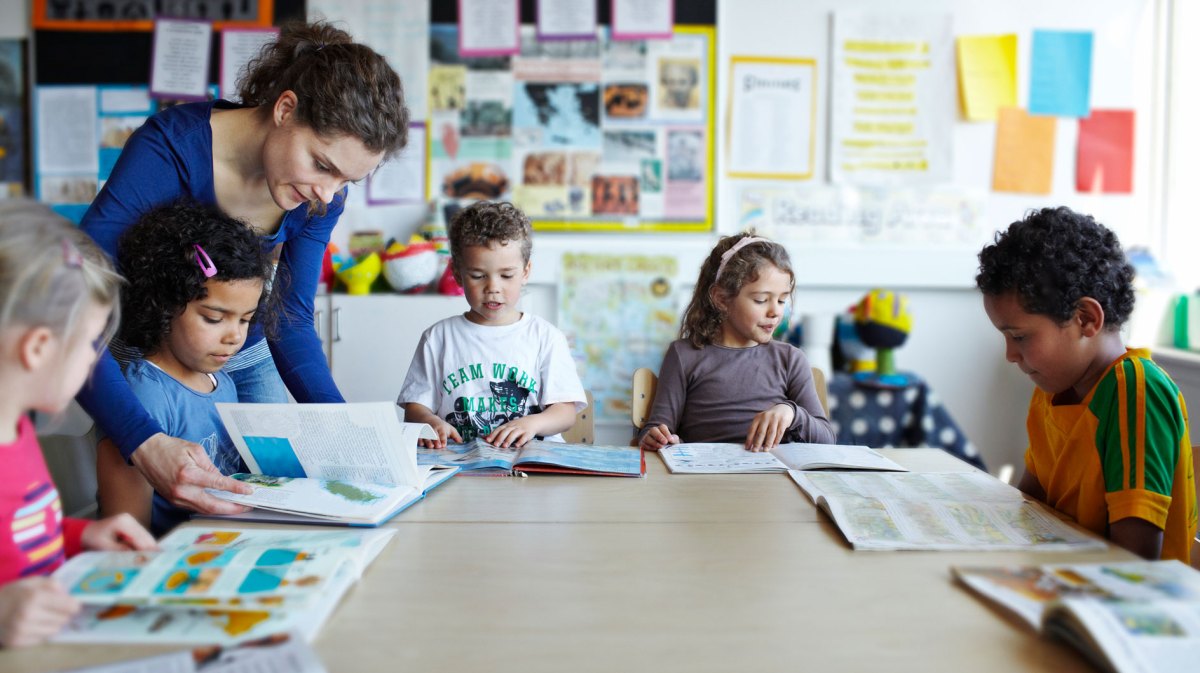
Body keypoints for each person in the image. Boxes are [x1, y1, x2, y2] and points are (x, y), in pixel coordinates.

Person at [76, 21, 410, 517]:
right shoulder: (168, 148)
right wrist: (143, 441)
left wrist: (348, 435)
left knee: (272, 504)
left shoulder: (322, 198)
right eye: (321, 164)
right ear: (285, 109)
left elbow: (289, 319)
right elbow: (76, 304)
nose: (327, 194)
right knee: (154, 501)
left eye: (346, 180)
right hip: (147, 346)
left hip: (247, 354)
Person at [977, 206, 1196, 562]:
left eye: (1018, 336)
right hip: (1060, 575)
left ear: (1086, 318)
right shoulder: (1053, 389)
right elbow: (1029, 503)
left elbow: (1135, 558)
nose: (1010, 355)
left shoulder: (1135, 391)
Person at [0, 201, 156, 647]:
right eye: (91, 343)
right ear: (38, 348)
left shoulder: (19, 430)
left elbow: (22, 536)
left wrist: (81, 535)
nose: (95, 359)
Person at [95, 202, 275, 536]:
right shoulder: (145, 395)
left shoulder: (220, 380)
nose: (234, 336)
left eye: (246, 320)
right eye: (213, 318)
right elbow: (127, 535)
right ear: (164, 304)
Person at [398, 201, 586, 449]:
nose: (493, 288)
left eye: (507, 275)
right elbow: (414, 408)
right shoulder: (438, 337)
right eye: (477, 276)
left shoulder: (546, 337)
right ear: (457, 274)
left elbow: (565, 412)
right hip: (461, 467)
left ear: (526, 272)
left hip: (531, 467)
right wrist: (429, 422)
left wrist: (532, 424)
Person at [640, 233, 835, 452]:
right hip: (703, 480)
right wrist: (658, 438)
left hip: (773, 482)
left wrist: (791, 412)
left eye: (782, 300)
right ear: (722, 299)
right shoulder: (683, 355)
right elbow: (656, 430)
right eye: (761, 300)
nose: (775, 311)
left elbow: (827, 440)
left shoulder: (790, 359)